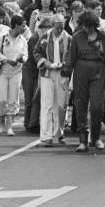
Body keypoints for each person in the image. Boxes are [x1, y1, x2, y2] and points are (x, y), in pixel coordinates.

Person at [62, 11, 105, 152]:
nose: (87, 28)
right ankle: (83, 140)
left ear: (94, 25)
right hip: (81, 73)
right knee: (81, 106)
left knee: (97, 107)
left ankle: (96, 137)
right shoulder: (77, 37)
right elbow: (71, 58)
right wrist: (66, 75)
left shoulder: (102, 36)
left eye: (89, 26)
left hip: (98, 72)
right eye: (84, 25)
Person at [34, 14, 71, 146]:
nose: (59, 30)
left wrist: (65, 65)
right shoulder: (45, 37)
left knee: (61, 105)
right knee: (46, 104)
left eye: (61, 27)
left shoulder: (68, 38)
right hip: (47, 74)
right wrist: (45, 63)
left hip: (62, 74)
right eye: (57, 28)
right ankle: (46, 136)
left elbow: (72, 56)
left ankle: (60, 133)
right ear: (52, 25)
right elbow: (36, 52)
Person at [0, 15, 28, 136]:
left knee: (13, 98)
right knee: (1, 98)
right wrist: (6, 60)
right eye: (23, 25)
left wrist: (21, 59)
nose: (24, 28)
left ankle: (9, 126)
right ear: (16, 25)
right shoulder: (2, 37)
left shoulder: (23, 40)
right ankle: (0, 124)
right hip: (3, 70)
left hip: (17, 72)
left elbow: (25, 56)